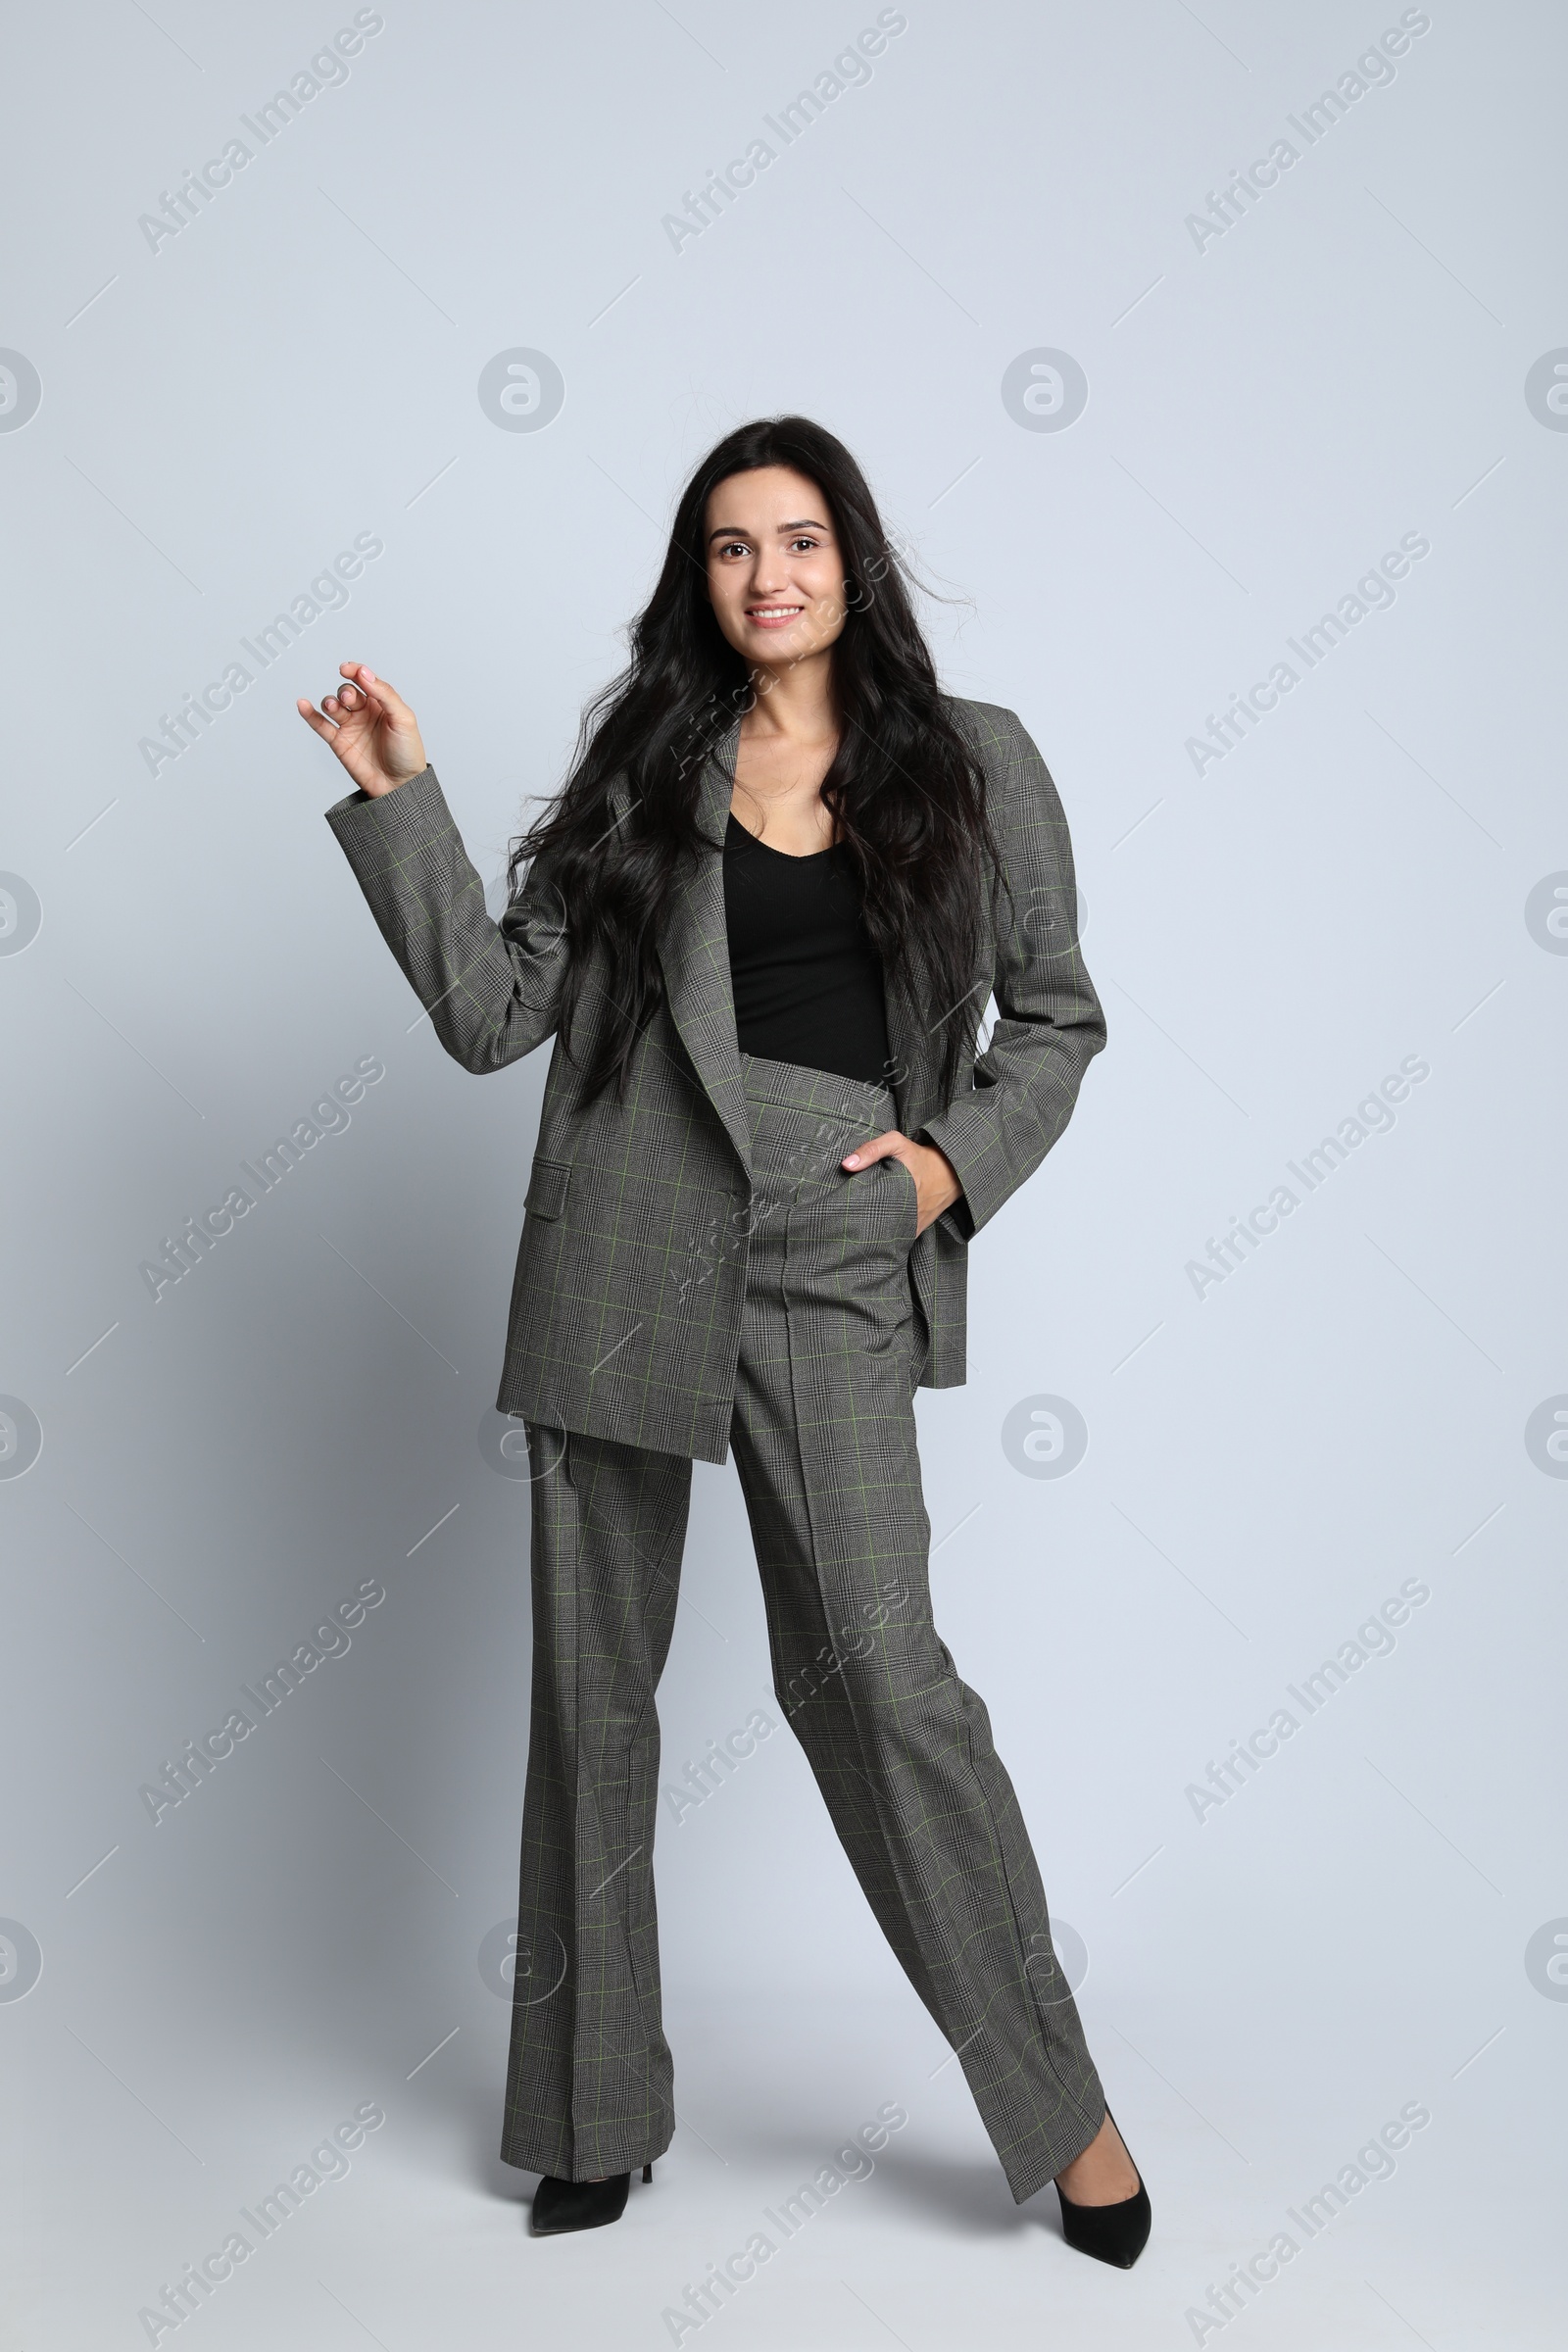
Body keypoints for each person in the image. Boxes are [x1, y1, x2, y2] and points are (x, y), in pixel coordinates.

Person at [298, 416, 1149, 2268]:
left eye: (801, 541)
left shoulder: (975, 763)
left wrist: (942, 1168)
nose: (769, 576)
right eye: (732, 548)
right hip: (625, 1218)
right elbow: (488, 1011)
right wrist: (400, 792)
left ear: (854, 562)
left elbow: (1059, 1022)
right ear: (701, 579)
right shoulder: (649, 762)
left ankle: (1061, 2102)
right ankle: (589, 2116)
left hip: (839, 1237)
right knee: (591, 1695)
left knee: (882, 1673)